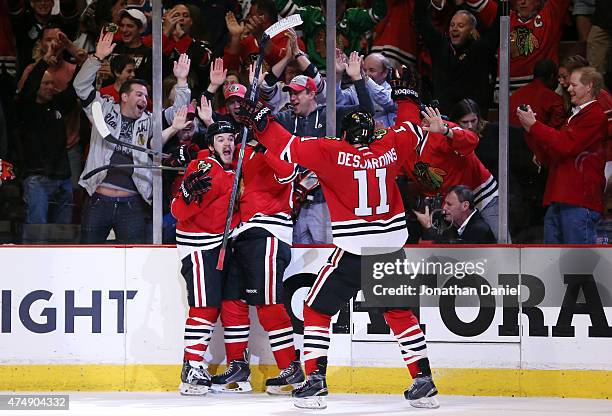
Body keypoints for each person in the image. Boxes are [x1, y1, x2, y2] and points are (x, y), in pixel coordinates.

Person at [234, 99, 440, 409]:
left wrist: (262, 123)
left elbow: (286, 146)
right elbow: (410, 125)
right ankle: (423, 380)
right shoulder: (390, 145)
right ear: (371, 132)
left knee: (316, 309)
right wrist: (407, 98)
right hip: (391, 248)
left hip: (354, 251)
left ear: (344, 134)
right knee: (399, 314)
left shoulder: (331, 152)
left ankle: (315, 380)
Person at [209, 106, 303, 395]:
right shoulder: (245, 153)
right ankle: (238, 365)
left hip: (268, 233)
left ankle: (292, 368)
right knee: (231, 299)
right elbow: (219, 156)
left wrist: (264, 141)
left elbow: (288, 173)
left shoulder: (280, 151)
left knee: (269, 304)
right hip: (241, 235)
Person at [74, 32, 191, 243]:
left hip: (132, 205)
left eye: (146, 96)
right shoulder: (103, 110)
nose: (144, 99)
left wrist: (182, 82)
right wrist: (97, 59)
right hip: (99, 200)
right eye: (139, 94)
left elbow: (178, 113)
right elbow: (81, 87)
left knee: (133, 263)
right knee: (88, 259)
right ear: (125, 96)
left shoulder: (150, 120)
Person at [171, 121, 241, 395]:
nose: (228, 144)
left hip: (217, 246)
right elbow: (178, 211)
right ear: (211, 145)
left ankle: (195, 365)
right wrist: (186, 194)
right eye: (221, 139)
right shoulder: (207, 168)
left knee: (212, 306)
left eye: (230, 139)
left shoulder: (228, 169)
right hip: (199, 248)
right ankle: (191, 367)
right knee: (204, 307)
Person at [276, 53, 374, 245]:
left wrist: (356, 79)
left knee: (325, 259)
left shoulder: (330, 114)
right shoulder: (285, 119)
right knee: (297, 267)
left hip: (324, 204)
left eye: (297, 93)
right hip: (292, 206)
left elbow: (367, 112)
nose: (292, 97)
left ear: (312, 94)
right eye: (290, 93)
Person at [516, 67, 608, 244]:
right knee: (553, 260)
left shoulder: (595, 116)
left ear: (589, 86)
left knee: (577, 263)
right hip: (559, 197)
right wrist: (530, 130)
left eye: (574, 84)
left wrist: (535, 126)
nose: (568, 88)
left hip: (580, 200)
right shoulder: (573, 117)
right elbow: (551, 153)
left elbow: (566, 145)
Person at [450, 98, 543, 242]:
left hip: (500, 197)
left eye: (473, 121)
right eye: (464, 122)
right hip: (469, 198)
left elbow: (525, 136)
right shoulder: (451, 140)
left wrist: (537, 151)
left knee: (500, 241)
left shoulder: (495, 131)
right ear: (456, 122)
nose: (470, 126)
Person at [18, 60, 77, 225]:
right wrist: (44, 61)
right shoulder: (26, 108)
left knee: (63, 234)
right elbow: (28, 87)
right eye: (45, 83)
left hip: (63, 177)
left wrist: (83, 62)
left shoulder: (57, 104)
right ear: (37, 84)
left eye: (52, 83)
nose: (51, 87)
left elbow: (74, 89)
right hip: (37, 178)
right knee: (37, 234)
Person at [416, 0, 498, 114]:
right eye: (452, 25)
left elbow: (498, 25)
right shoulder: (440, 47)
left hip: (470, 120)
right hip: (443, 120)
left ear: (472, 30)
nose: (454, 29)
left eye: (461, 26)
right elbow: (422, 22)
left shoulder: (480, 50)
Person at [414, 185, 496, 243]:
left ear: (465, 206)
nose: (444, 208)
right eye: (445, 203)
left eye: (449, 204)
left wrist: (428, 226)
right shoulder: (455, 226)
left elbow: (451, 256)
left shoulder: (478, 229)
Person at [336, 52, 396, 128]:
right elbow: (338, 101)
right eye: (364, 69)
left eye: (372, 70)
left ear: (385, 73)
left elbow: (386, 100)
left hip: (386, 136)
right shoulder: (355, 89)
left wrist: (363, 75)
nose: (367, 73)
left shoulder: (393, 90)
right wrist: (338, 75)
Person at [509, 59, 566, 129]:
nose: (559, 82)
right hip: (535, 137)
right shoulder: (554, 99)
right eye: (558, 77)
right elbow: (556, 131)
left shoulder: (515, 95)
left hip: (508, 138)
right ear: (552, 76)